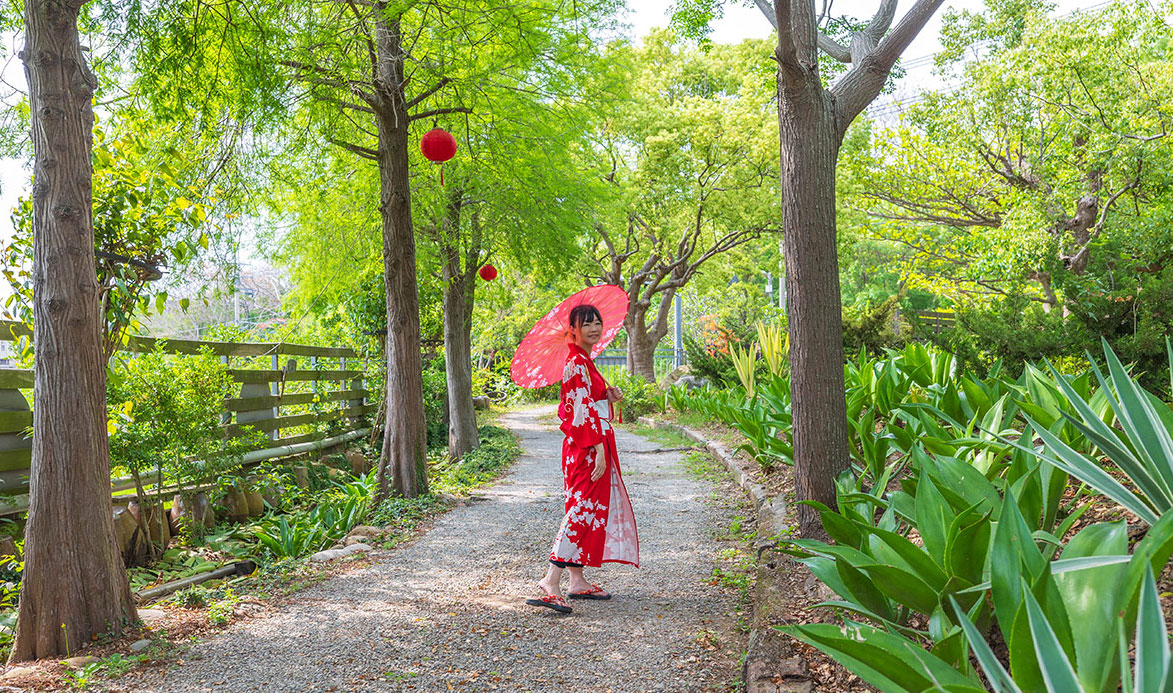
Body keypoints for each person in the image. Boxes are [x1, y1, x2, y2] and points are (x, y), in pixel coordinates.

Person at [526, 304, 639, 614]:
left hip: (588, 446)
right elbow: (579, 413)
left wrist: (607, 394)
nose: (594, 327)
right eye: (585, 323)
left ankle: (576, 580)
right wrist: (599, 448)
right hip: (587, 448)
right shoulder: (576, 362)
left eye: (597, 322)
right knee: (581, 510)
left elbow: (588, 401)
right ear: (572, 329)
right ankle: (550, 582)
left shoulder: (585, 362)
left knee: (584, 508)